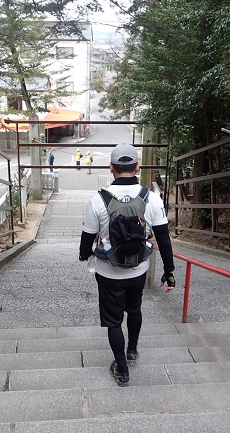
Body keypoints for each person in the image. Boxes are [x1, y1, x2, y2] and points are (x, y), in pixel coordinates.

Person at [79, 143, 176, 387]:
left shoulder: (98, 199)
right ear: (137, 167)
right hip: (138, 271)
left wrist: (86, 255)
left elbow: (85, 241)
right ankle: (132, 351)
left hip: (108, 272)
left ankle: (122, 370)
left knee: (113, 321)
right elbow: (163, 239)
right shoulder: (151, 198)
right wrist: (169, 271)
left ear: (111, 167)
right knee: (134, 309)